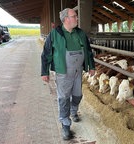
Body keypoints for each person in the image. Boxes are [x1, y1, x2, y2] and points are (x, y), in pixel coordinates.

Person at [41, 8, 95, 140]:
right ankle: (65, 124)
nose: (77, 18)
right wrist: (44, 71)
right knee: (64, 98)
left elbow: (88, 51)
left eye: (76, 16)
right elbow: (46, 54)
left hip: (78, 71)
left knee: (78, 95)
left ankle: (74, 110)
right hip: (63, 72)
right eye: (74, 16)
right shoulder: (54, 34)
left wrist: (91, 66)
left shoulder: (80, 33)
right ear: (66, 19)